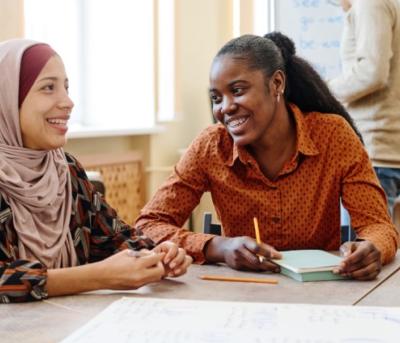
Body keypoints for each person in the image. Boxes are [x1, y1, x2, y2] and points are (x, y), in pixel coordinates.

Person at [136, 32, 398, 281]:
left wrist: (372, 247)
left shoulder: (333, 136)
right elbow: (148, 226)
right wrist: (218, 247)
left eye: (237, 91)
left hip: (321, 293)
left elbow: (379, 226)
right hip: (243, 295)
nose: (224, 108)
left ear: (276, 84)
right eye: (216, 98)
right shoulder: (211, 146)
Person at [0, 38, 192, 303]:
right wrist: (97, 277)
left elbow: (117, 239)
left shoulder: (65, 170)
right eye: (48, 88)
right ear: (8, 98)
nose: (67, 102)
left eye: (66, 87)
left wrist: (158, 253)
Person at [329, 0, 400, 211]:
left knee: (368, 243)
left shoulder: (371, 4)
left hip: (376, 150)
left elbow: (371, 73)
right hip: (386, 151)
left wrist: (323, 91)